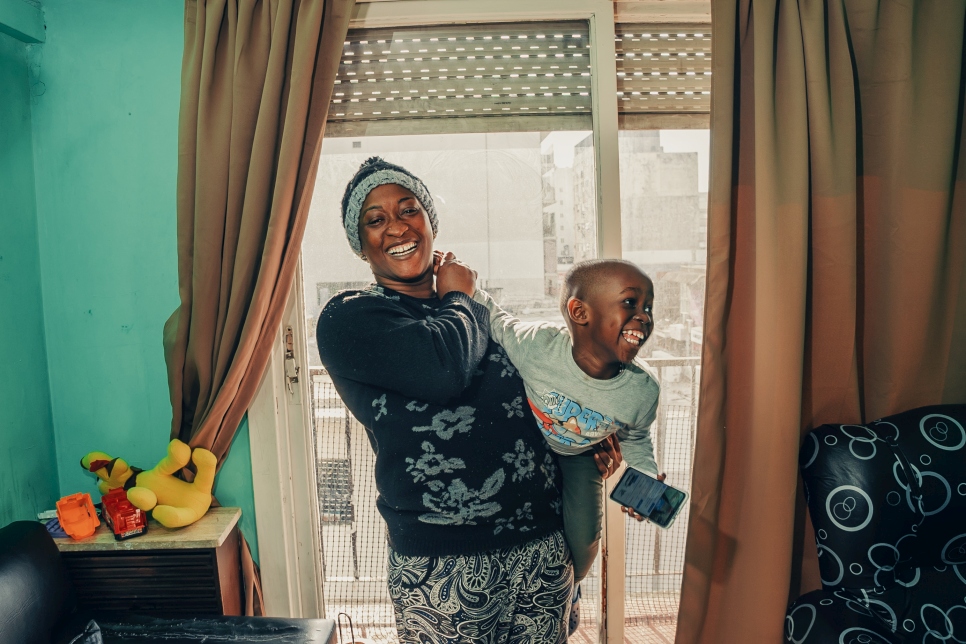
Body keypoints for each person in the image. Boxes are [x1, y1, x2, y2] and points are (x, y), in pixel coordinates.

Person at [315, 157, 622, 643]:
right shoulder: (351, 318)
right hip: (441, 566)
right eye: (375, 219)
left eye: (409, 209)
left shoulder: (483, 315)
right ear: (360, 244)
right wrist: (458, 295)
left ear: (429, 222)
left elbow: (541, 393)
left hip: (540, 550)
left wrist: (581, 440)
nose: (397, 226)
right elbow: (444, 371)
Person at [472, 259, 662, 584]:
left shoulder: (643, 388)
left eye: (648, 307)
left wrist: (645, 480)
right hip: (527, 444)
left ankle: (568, 591)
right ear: (579, 313)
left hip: (581, 456)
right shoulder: (538, 346)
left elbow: (636, 440)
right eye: (629, 303)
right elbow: (499, 321)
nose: (643, 316)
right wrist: (468, 285)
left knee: (585, 542)